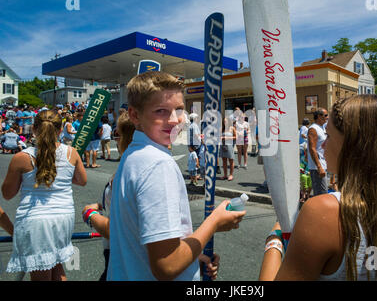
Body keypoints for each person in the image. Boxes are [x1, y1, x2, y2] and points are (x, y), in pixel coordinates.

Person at [258, 95, 377, 281]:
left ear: (354, 145)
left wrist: (274, 240)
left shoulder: (326, 211)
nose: (323, 144)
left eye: (329, 136)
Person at [107, 71, 245, 281]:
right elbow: (167, 265)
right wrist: (214, 221)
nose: (173, 120)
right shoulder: (157, 163)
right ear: (135, 115)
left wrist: (191, 254)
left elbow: (148, 244)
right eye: (161, 111)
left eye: (179, 109)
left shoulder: (133, 154)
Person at [2, 110, 87, 281]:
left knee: (42, 274)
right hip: (63, 218)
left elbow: (7, 194)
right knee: (56, 266)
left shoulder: (22, 157)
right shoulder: (72, 153)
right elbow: (81, 180)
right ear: (60, 129)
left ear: (34, 129)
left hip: (36, 221)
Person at [81, 112, 136, 281]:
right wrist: (103, 205)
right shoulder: (135, 166)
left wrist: (89, 214)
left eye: (115, 134)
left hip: (120, 250)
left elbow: (118, 229)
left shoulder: (126, 171)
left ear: (120, 136)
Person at [307, 108, 328, 196]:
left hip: (323, 164)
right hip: (317, 168)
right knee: (321, 195)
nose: (327, 117)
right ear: (319, 116)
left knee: (323, 193)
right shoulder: (313, 129)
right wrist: (319, 167)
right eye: (325, 115)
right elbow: (312, 148)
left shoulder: (321, 128)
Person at [219, 116, 236, 181]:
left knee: (231, 160)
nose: (225, 122)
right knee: (224, 161)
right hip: (223, 145)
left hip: (229, 145)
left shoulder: (232, 128)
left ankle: (231, 175)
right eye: (224, 121)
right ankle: (225, 175)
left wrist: (227, 138)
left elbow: (235, 137)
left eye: (226, 121)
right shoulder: (222, 128)